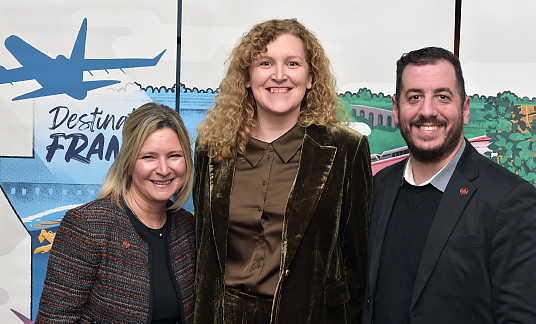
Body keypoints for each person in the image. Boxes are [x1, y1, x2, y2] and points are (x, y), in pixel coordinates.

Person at [193, 18, 372, 324]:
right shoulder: (212, 148)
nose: (279, 75)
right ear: (247, 77)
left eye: (292, 63)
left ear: (311, 77)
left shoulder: (346, 149)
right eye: (265, 63)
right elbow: (204, 250)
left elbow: (358, 260)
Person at [363, 47, 536, 323]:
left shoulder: (511, 201)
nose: (427, 111)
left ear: (465, 109)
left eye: (442, 97)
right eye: (415, 97)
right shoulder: (378, 187)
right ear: (396, 109)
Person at [35, 103, 196, 323]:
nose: (164, 169)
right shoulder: (87, 226)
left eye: (174, 156)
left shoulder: (187, 228)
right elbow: (55, 319)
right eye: (148, 157)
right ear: (128, 162)